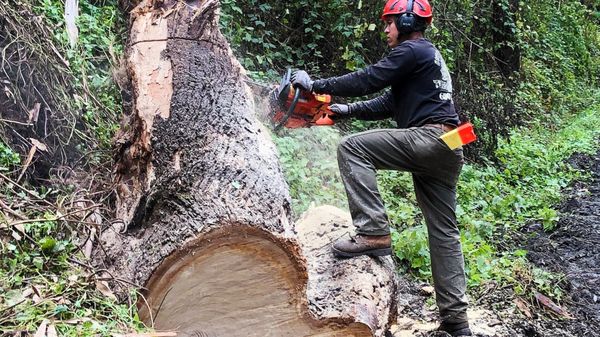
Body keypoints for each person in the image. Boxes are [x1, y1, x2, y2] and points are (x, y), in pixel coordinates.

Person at [291, 0, 471, 336]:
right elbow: (388, 102)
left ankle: (372, 231)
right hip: (450, 143)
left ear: (406, 21)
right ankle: (457, 323)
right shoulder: (425, 57)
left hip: (430, 137)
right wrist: (343, 111)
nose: (386, 29)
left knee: (352, 147)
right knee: (444, 234)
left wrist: (315, 84)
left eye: (389, 23)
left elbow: (368, 79)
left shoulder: (412, 49)